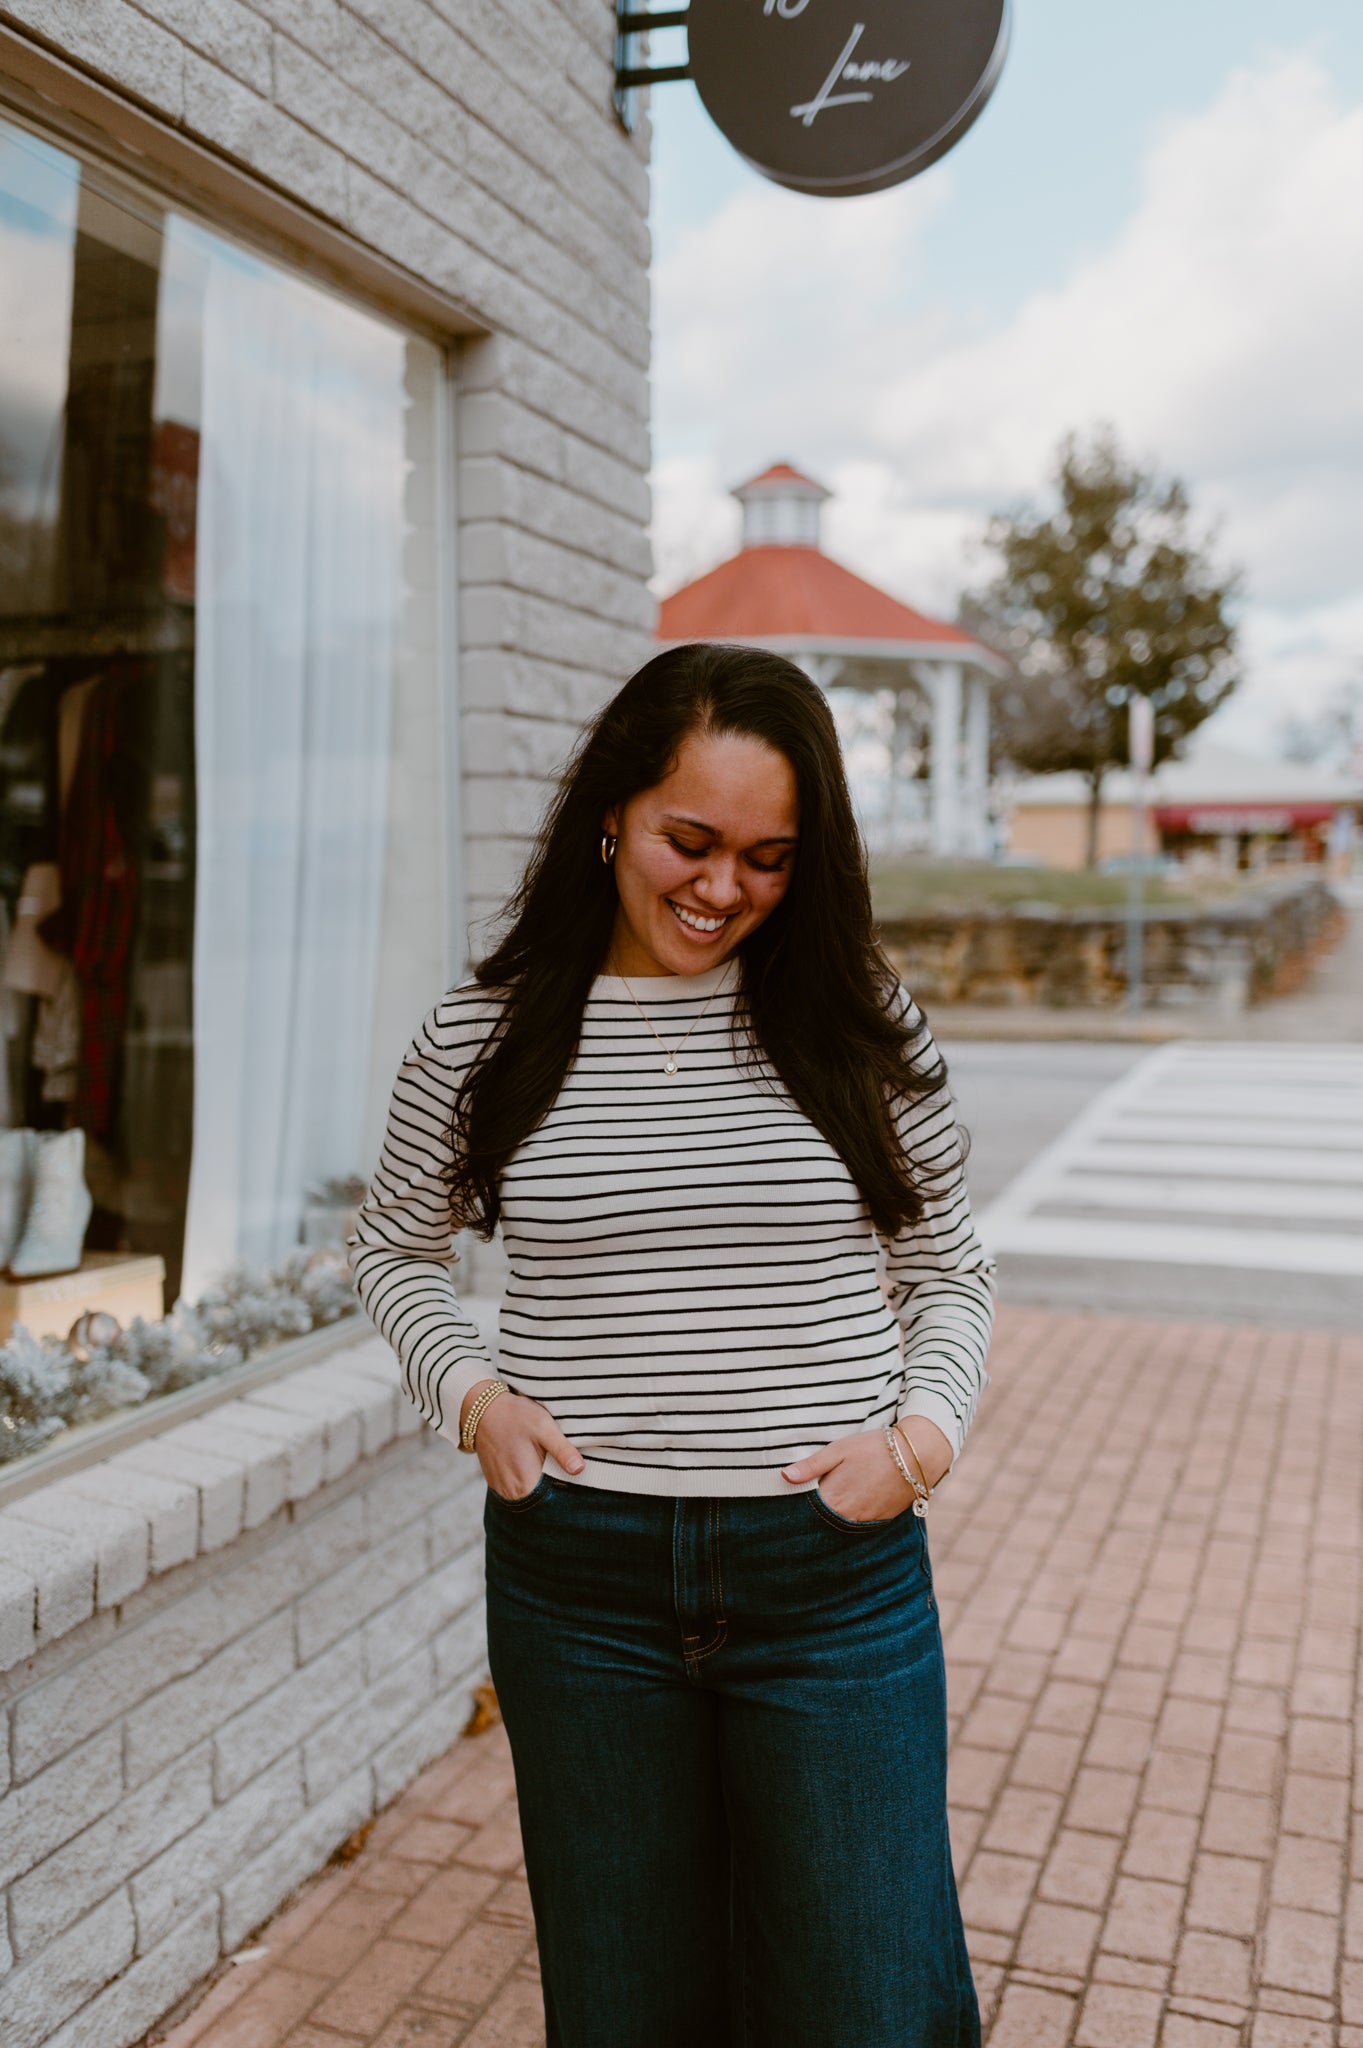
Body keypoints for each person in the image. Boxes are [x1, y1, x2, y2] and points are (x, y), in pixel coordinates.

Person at [349, 640, 995, 2048]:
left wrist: (922, 1442)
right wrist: (473, 1400)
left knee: (866, 2000)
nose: (720, 890)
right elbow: (392, 1248)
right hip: (579, 1580)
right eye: (688, 841)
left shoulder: (858, 1029)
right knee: (629, 2002)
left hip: (831, 1578)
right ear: (610, 818)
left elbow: (947, 1269)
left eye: (766, 858)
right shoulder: (486, 1034)